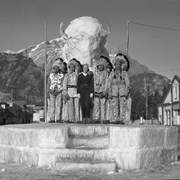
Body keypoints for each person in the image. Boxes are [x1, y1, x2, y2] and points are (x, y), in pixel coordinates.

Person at [108, 53, 131, 124]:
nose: (117, 66)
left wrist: (127, 91)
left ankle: (122, 119)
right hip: (114, 91)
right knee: (114, 105)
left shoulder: (124, 73)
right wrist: (109, 92)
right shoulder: (112, 73)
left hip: (122, 91)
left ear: (121, 65)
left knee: (122, 105)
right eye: (116, 65)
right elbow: (109, 83)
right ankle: (115, 119)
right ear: (114, 65)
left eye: (119, 65)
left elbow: (127, 82)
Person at [93, 56, 109, 123]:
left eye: (102, 66)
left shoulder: (106, 73)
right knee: (96, 105)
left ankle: (103, 118)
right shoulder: (95, 73)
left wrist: (105, 91)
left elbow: (107, 82)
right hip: (96, 90)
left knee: (103, 104)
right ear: (97, 66)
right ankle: (96, 118)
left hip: (103, 90)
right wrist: (93, 90)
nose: (100, 67)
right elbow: (93, 82)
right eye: (99, 66)